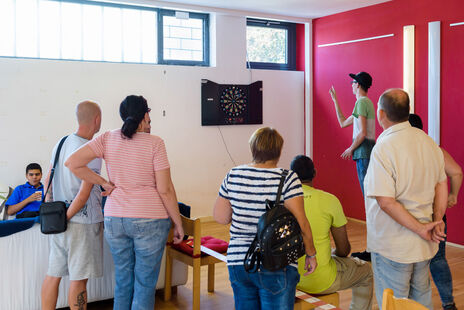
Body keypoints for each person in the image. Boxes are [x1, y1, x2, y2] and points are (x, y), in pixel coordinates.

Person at [65, 95, 184, 310]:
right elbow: (165, 190)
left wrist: (103, 182)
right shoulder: (156, 143)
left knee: (123, 280)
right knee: (145, 284)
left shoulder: (107, 138)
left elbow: (72, 162)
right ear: (145, 115)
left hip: (115, 219)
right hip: (150, 219)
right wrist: (178, 223)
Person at [213, 127, 317, 310]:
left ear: (252, 148)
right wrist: (311, 254)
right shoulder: (288, 178)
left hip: (239, 262)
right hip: (276, 263)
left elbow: (220, 217)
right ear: (279, 151)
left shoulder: (234, 174)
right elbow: (302, 223)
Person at [365, 89, 448, 308]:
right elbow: (442, 184)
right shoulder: (428, 142)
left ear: (380, 113)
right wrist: (436, 221)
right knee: (421, 300)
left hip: (394, 244)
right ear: (408, 111)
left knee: (394, 303)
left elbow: (386, 201)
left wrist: (421, 228)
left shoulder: (383, 147)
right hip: (424, 243)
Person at [41, 101, 104, 310]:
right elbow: (84, 192)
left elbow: (48, 178)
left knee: (53, 275)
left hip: (58, 220)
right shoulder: (90, 149)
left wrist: (55, 214)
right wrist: (68, 217)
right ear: (96, 120)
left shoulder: (61, 142)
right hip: (81, 223)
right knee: (79, 280)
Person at [291, 155, 373, 310]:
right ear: (314, 173)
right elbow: (344, 249)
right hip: (321, 281)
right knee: (366, 272)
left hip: (289, 280)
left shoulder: (283, 200)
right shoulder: (329, 200)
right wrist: (333, 253)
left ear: (292, 175)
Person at [409, 113, 462, 310]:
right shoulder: (435, 149)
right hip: (436, 213)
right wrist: (453, 195)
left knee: (410, 260)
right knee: (438, 259)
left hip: (409, 215)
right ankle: (448, 303)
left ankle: (411, 303)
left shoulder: (399, 150)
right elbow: (456, 172)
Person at [329, 72, 375, 262]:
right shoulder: (363, 104)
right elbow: (342, 123)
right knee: (369, 199)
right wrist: (335, 100)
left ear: (358, 84)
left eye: (352, 82)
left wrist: (350, 148)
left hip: (363, 153)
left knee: (368, 201)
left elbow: (363, 133)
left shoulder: (362, 102)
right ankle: (372, 248)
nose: (350, 84)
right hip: (364, 153)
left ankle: (372, 249)